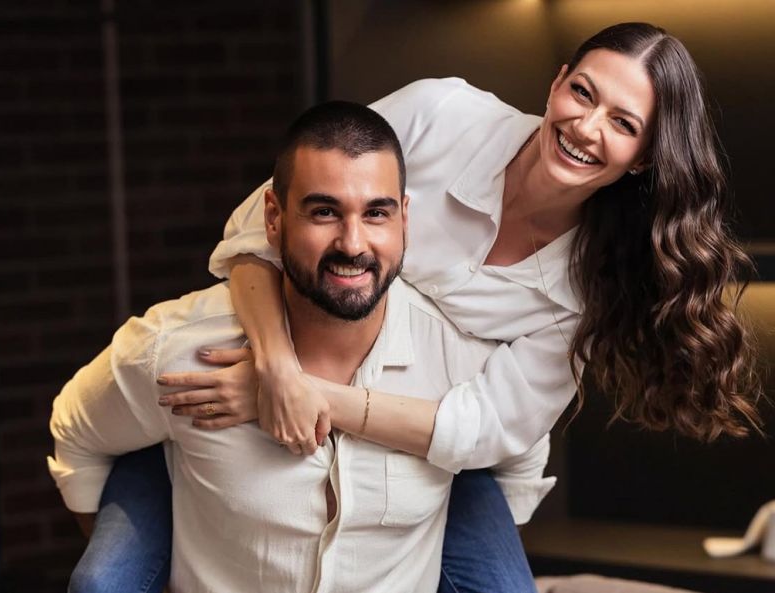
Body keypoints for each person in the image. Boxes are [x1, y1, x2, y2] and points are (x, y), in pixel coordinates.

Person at [71, 21, 762, 593]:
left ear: (642, 156)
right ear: (556, 83)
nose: (586, 126)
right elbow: (259, 227)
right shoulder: (440, 114)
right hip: (275, 368)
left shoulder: (598, 280)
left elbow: (485, 426)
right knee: (104, 579)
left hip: (444, 455)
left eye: (622, 122)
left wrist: (307, 396)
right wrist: (277, 368)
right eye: (582, 92)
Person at [50, 100, 548, 593]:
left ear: (405, 220)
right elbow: (78, 433)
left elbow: (520, 448)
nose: (352, 244)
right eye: (324, 212)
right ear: (273, 217)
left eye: (376, 213)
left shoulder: (457, 353)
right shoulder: (179, 348)